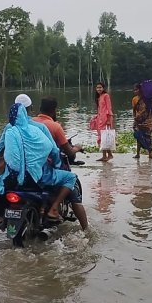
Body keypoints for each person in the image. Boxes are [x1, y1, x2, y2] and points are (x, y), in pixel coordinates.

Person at [0, 103, 77, 222]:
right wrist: (57, 164)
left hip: (12, 178)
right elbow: (52, 149)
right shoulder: (35, 130)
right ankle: (54, 209)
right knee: (70, 177)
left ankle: (1, 217)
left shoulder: (9, 131)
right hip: (35, 177)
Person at [33, 96, 89, 230]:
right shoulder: (55, 126)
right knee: (72, 188)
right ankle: (86, 230)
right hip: (46, 170)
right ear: (54, 110)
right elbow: (68, 152)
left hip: (30, 170)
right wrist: (77, 147)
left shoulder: (31, 122)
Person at [89, 82, 114, 162]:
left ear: (103, 88)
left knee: (104, 137)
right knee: (102, 138)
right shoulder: (99, 97)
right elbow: (100, 109)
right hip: (100, 119)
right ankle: (105, 155)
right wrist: (96, 116)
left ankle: (108, 155)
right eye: (97, 88)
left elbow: (109, 108)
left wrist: (108, 120)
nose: (99, 89)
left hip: (106, 119)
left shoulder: (106, 96)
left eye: (100, 87)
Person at [132, 83, 152, 159]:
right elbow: (134, 110)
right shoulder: (134, 99)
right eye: (134, 90)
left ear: (141, 90)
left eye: (137, 89)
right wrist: (135, 118)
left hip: (147, 120)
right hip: (138, 120)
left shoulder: (147, 99)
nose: (135, 91)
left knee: (148, 137)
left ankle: (150, 154)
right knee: (139, 137)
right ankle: (138, 154)